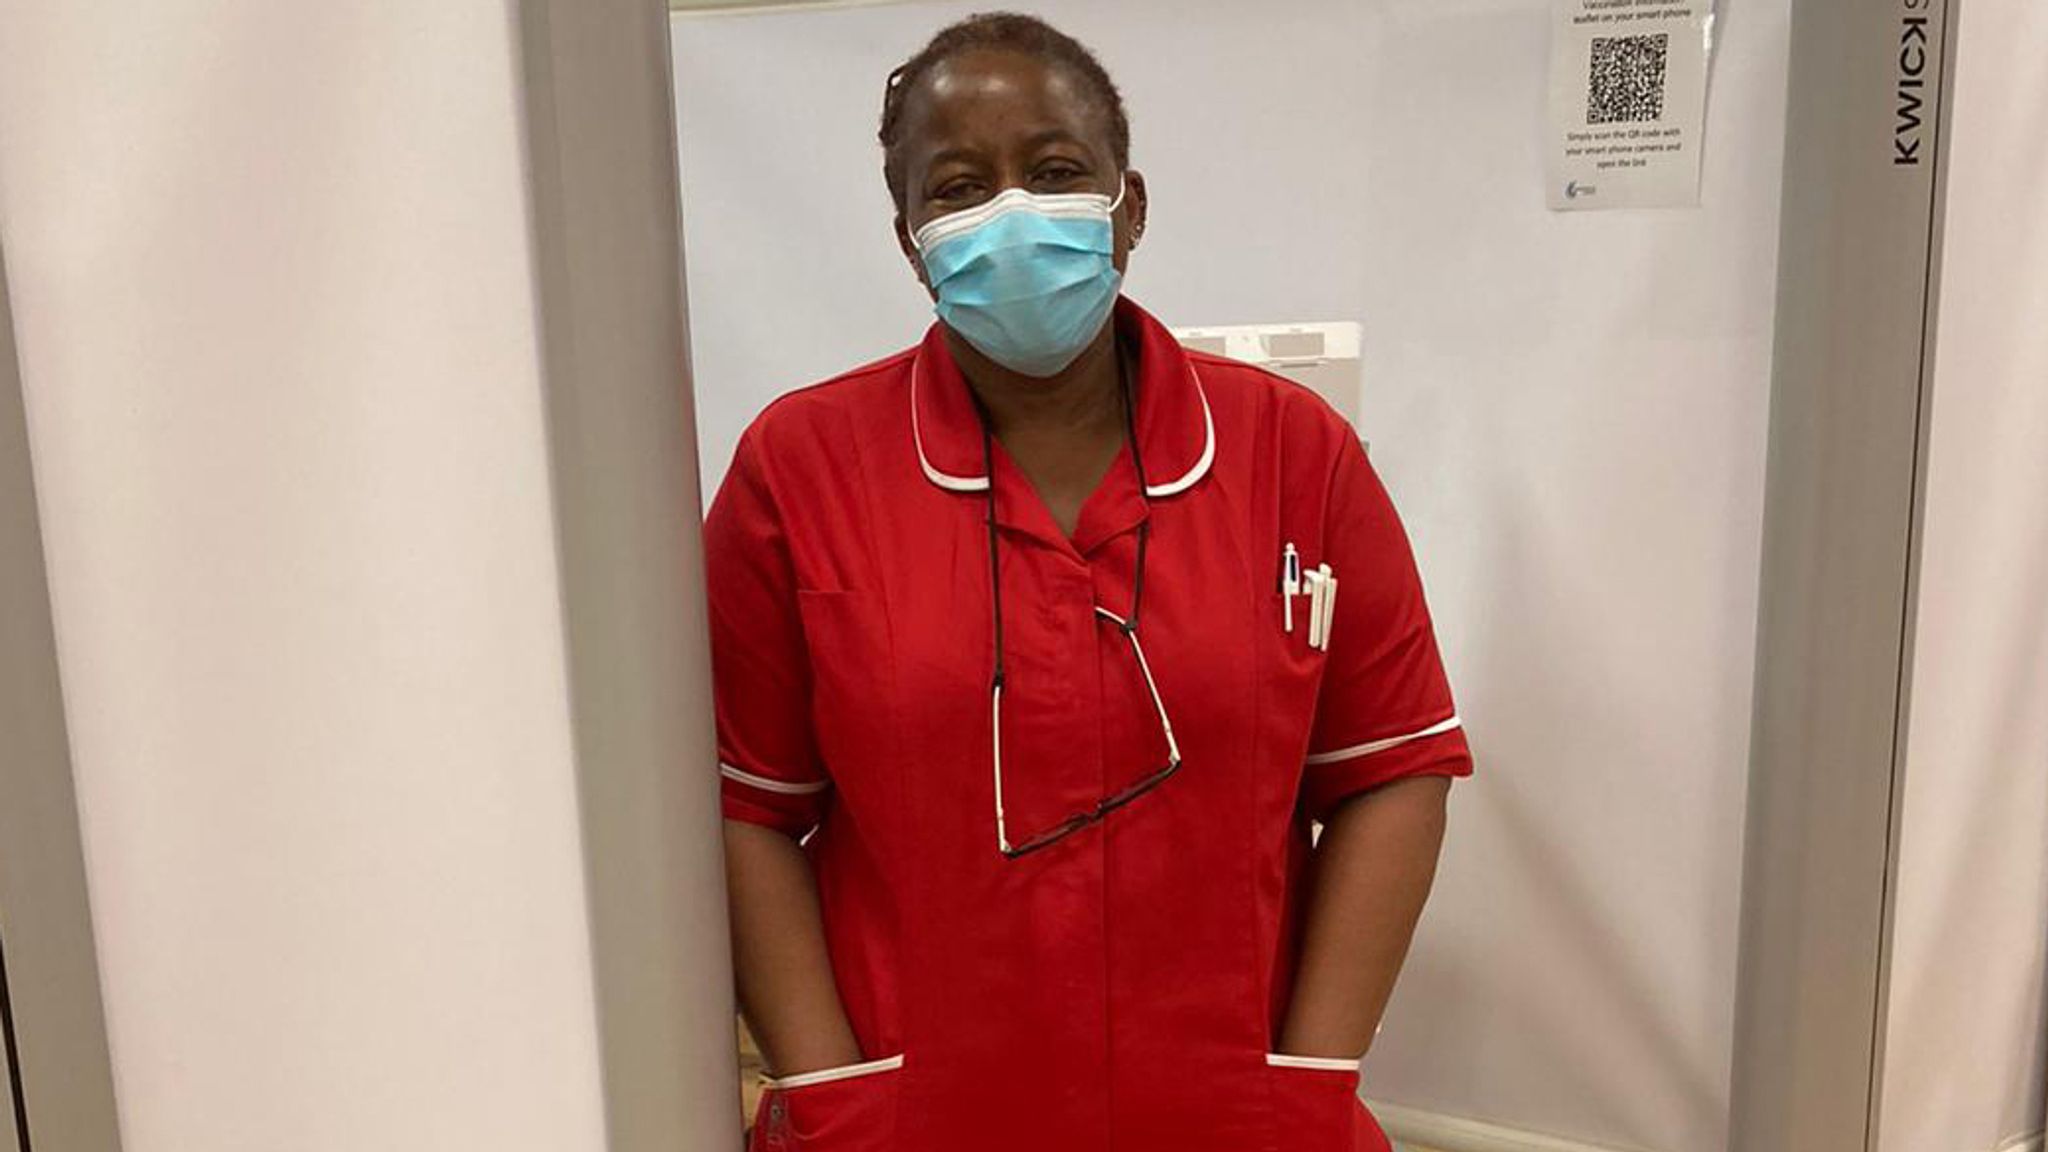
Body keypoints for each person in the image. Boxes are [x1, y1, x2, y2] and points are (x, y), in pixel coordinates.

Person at [706, 13, 1472, 1151]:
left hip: (1234, 1118)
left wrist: (1311, 1078)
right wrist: (833, 1090)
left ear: (1130, 205)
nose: (1012, 214)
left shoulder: (1289, 451)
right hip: (916, 1121)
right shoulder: (802, 469)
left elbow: (1391, 768)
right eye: (958, 188)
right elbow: (742, 806)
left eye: (1056, 170)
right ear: (911, 241)